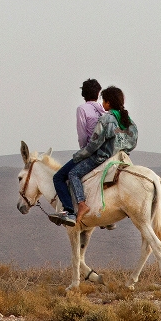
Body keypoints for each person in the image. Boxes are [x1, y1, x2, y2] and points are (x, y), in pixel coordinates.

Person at [55, 85, 140, 227]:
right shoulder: (130, 122)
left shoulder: (106, 119)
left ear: (108, 103)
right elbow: (133, 143)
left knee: (73, 173)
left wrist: (79, 155)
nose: (102, 104)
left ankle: (79, 205)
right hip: (121, 158)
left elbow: (93, 144)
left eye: (104, 101)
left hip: (102, 158)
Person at [47, 79, 105, 226]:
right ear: (98, 94)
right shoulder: (103, 109)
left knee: (59, 177)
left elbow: (82, 135)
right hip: (106, 152)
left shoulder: (82, 109)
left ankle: (70, 210)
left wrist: (82, 152)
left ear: (83, 94)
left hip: (90, 151)